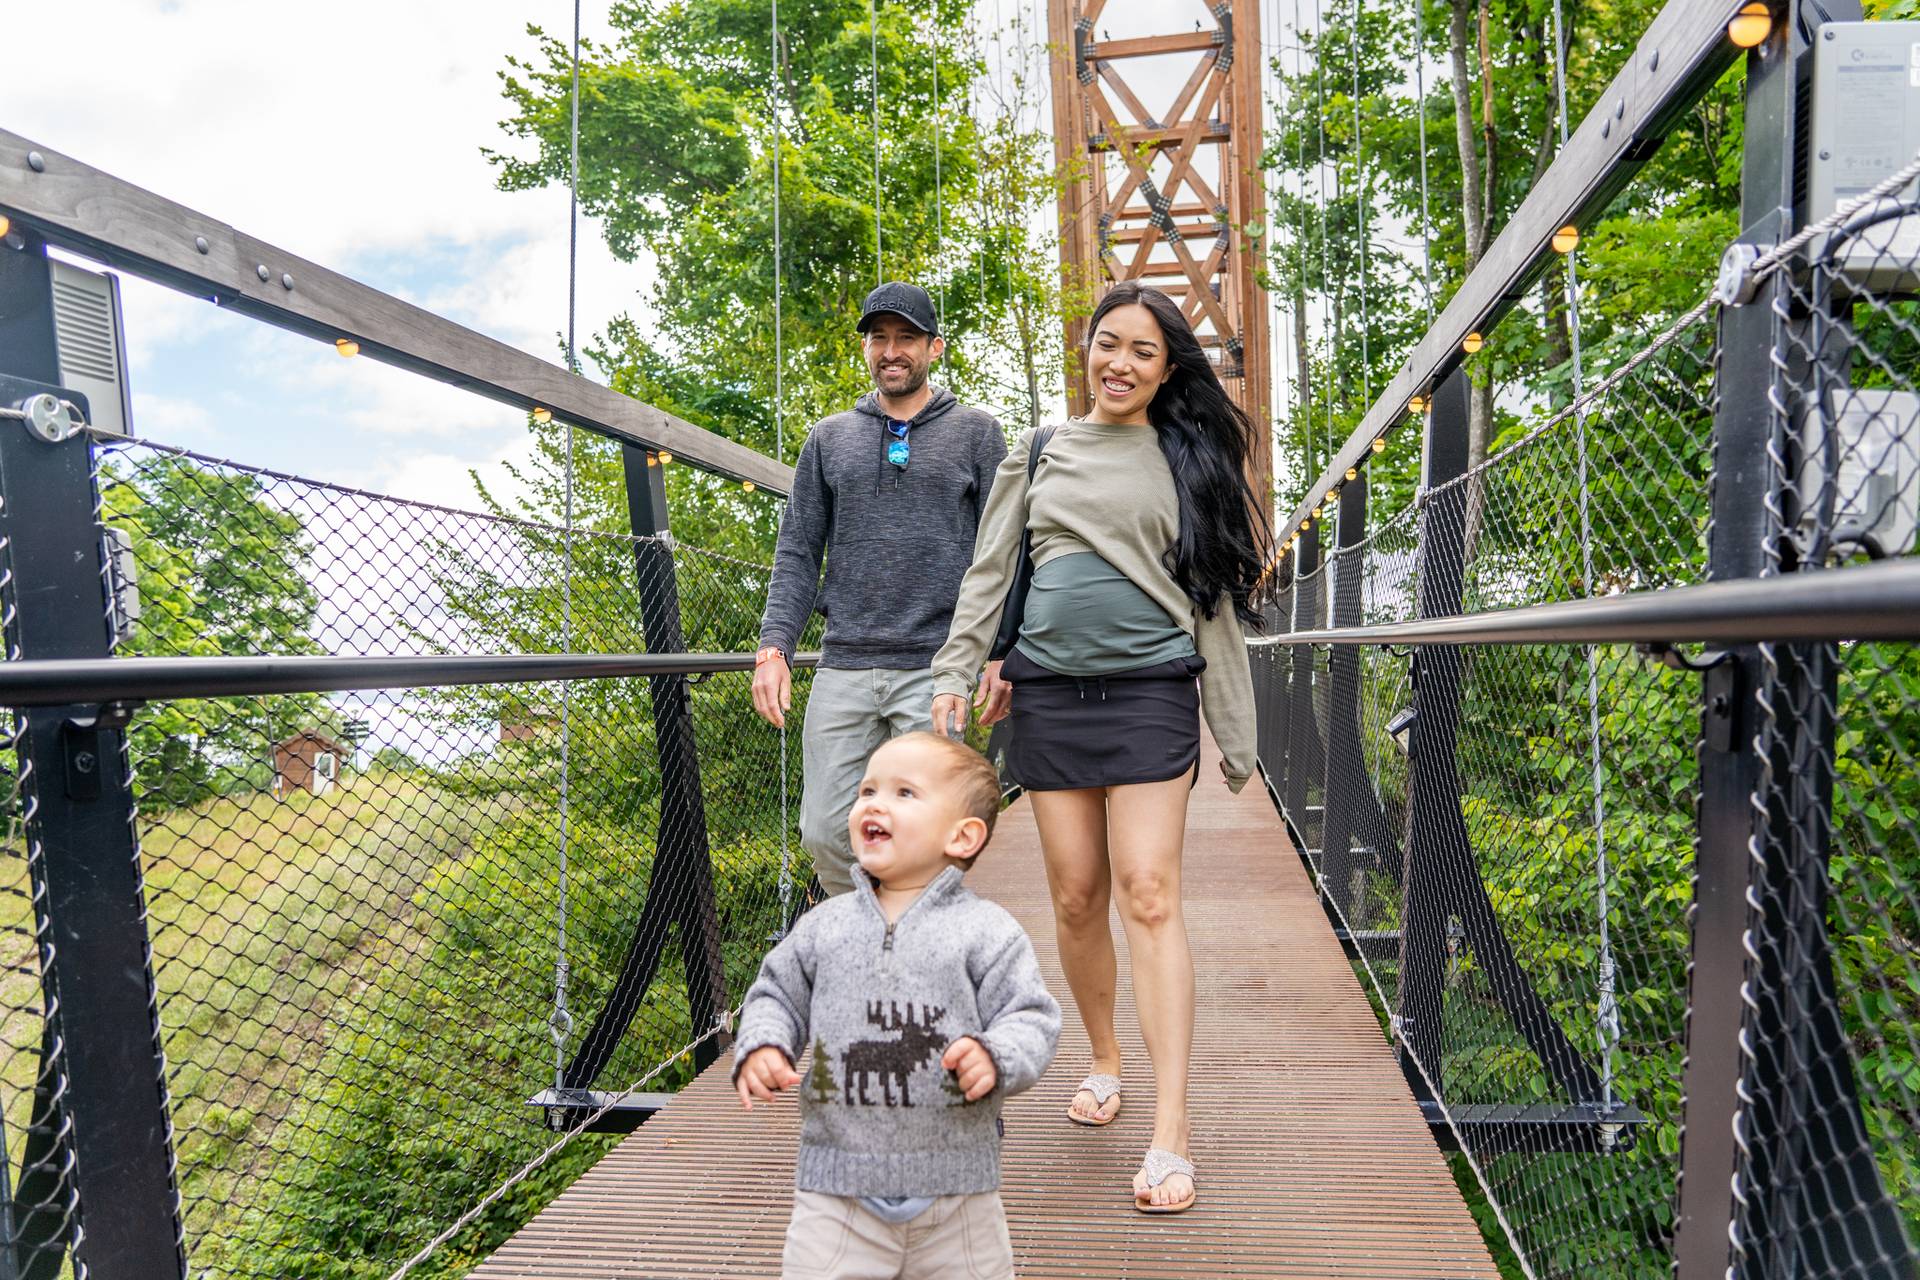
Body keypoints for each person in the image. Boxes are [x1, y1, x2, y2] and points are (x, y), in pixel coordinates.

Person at [928, 280, 1270, 1215]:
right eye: (1107, 343)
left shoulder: (1186, 458)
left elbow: (1217, 603)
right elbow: (990, 573)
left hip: (1151, 695)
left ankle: (1172, 1126)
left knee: (1148, 893)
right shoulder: (1040, 453)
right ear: (1086, 348)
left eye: (1144, 352)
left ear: (1168, 371)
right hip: (1048, 698)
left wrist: (1236, 732)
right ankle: (1106, 1059)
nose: (1120, 363)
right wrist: (957, 671)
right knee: (1076, 897)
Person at [734, 732, 1061, 1280]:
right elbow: (777, 993)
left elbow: (1030, 1016)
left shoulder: (987, 932)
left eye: (904, 792)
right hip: (837, 1192)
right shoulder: (823, 926)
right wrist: (763, 1042)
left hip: (959, 1196)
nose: (874, 803)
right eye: (867, 790)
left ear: (962, 836)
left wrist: (996, 1054)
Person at [753, 282, 1011, 898]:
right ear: (867, 348)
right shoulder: (830, 437)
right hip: (843, 662)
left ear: (934, 347)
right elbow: (796, 550)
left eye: (906, 338)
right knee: (823, 832)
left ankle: (918, 959)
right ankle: (869, 937)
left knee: (928, 831)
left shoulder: (977, 434)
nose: (891, 350)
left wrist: (1000, 653)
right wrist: (774, 648)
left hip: (936, 668)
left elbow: (1002, 554)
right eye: (879, 338)